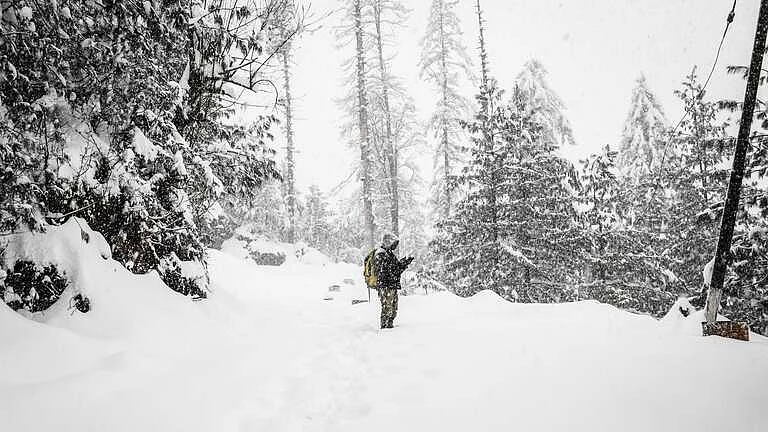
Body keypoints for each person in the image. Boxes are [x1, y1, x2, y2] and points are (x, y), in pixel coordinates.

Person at [374, 233, 414, 329]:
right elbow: (389, 270)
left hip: (391, 285)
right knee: (387, 307)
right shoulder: (381, 253)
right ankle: (385, 328)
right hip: (385, 285)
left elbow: (396, 269)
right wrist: (399, 265)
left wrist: (404, 263)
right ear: (388, 242)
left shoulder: (389, 254)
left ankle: (390, 326)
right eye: (393, 243)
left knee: (393, 308)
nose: (394, 246)